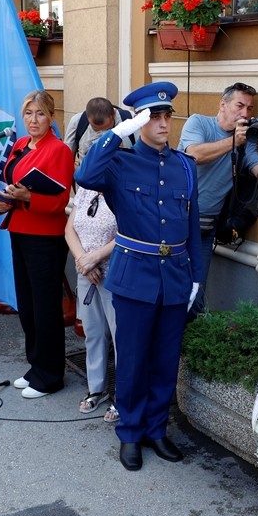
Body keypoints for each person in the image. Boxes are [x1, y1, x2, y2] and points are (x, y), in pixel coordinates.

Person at [73, 81, 204, 471]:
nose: (164, 124)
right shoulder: (119, 162)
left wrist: (196, 276)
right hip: (133, 276)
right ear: (139, 120)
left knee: (164, 360)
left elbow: (192, 225)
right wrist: (116, 133)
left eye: (167, 116)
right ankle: (129, 432)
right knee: (132, 359)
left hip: (175, 277)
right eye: (155, 117)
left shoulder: (184, 165)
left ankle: (156, 429)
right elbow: (86, 175)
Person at [0, 90, 74, 400]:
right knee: (26, 304)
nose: (33, 119)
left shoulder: (59, 150)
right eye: (28, 113)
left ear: (52, 117)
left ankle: (51, 375)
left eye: (40, 114)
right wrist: (6, 203)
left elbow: (61, 201)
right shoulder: (22, 144)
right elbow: (13, 185)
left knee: (45, 307)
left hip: (46, 237)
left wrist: (29, 198)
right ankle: (36, 366)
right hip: (20, 229)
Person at [178, 82, 258, 315]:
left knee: (196, 291)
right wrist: (234, 142)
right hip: (179, 220)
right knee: (175, 286)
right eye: (239, 106)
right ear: (223, 105)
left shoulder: (245, 141)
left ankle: (188, 345)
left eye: (249, 109)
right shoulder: (198, 122)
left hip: (207, 226)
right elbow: (195, 155)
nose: (245, 113)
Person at [64, 178, 119, 423]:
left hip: (114, 273)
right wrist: (83, 262)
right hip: (86, 271)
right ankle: (97, 388)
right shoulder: (85, 189)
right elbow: (69, 229)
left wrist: (95, 258)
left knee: (121, 337)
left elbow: (128, 234)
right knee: (93, 333)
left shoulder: (122, 188)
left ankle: (124, 397)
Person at [63, 97, 132, 165]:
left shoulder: (130, 119)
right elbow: (67, 157)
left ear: (114, 114)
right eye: (96, 129)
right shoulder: (78, 121)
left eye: (107, 128)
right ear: (87, 117)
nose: (103, 133)